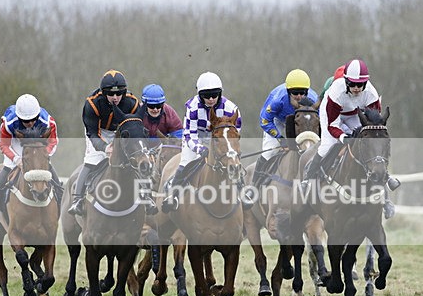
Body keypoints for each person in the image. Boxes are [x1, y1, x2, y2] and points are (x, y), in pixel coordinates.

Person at [300, 59, 400, 218]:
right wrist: (343, 137)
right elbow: (333, 125)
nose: (356, 88)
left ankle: (386, 193)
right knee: (327, 146)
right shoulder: (336, 93)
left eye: (360, 84)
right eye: (352, 84)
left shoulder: (371, 95)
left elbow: (374, 126)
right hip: (333, 116)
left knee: (371, 147)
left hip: (354, 114)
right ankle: (308, 179)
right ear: (346, 82)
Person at [161, 71, 245, 212]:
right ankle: (173, 195)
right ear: (200, 95)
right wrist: (199, 148)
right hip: (196, 138)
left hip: (219, 139)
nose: (211, 99)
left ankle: (242, 191)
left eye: (214, 95)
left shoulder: (231, 108)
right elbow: (190, 134)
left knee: (233, 161)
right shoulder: (192, 107)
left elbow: (235, 133)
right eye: (206, 96)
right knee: (186, 161)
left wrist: (229, 149)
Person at [68, 69, 142, 215]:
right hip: (98, 131)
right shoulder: (92, 104)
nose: (115, 97)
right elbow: (92, 133)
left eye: (119, 94)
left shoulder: (132, 103)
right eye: (111, 94)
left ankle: (147, 195)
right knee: (92, 160)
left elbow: (136, 127)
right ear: (103, 93)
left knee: (134, 159)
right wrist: (104, 147)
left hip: (121, 131)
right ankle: (77, 199)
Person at [0, 94, 60, 214]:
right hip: (16, 142)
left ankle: (60, 195)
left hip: (38, 144)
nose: (30, 123)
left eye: (33, 119)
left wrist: (44, 154)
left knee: (46, 166)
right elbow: (4, 145)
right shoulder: (9, 123)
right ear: (19, 118)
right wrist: (16, 159)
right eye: (26, 121)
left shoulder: (48, 122)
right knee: (8, 166)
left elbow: (53, 142)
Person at [250, 69, 319, 189]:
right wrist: (280, 139)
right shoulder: (278, 99)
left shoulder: (313, 99)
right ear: (288, 91)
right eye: (295, 93)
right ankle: (254, 186)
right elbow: (264, 120)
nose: (299, 96)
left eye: (302, 92)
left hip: (301, 122)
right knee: (269, 152)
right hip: (277, 120)